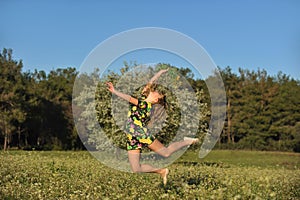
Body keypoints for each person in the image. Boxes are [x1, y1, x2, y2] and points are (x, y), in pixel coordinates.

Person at [106, 68, 198, 185]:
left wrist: (114, 91)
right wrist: (160, 73)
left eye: (156, 92)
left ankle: (186, 142)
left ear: (155, 99)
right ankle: (162, 171)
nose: (154, 90)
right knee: (136, 169)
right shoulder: (144, 97)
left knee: (166, 153)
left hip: (141, 133)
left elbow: (129, 98)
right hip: (132, 136)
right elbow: (151, 83)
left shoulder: (145, 105)